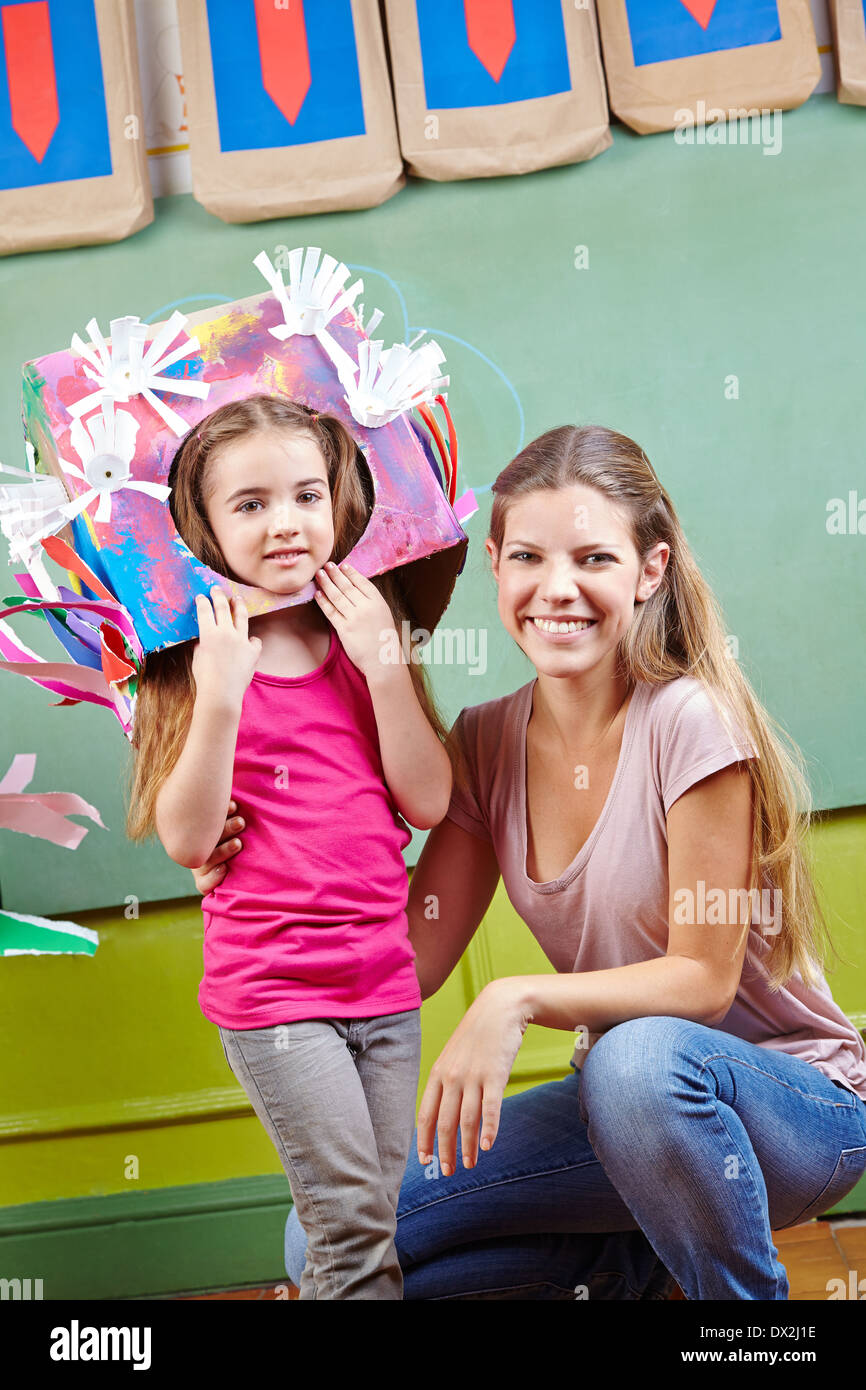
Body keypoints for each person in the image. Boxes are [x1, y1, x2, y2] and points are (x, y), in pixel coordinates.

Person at [194, 423, 866, 1300]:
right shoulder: (485, 742)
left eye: (594, 559)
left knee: (636, 1063)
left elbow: (701, 982)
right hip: (624, 1119)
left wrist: (516, 999)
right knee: (333, 1230)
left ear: (649, 571)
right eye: (529, 559)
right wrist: (261, 868)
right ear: (496, 567)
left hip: (795, 1111)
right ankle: (624, 1275)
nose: (558, 590)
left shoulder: (689, 722)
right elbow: (409, 958)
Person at [125, 393, 453, 1300]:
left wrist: (384, 667)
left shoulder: (363, 629)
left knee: (374, 1222)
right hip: (276, 997)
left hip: (384, 984)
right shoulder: (194, 655)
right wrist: (221, 694)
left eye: (307, 496)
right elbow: (187, 837)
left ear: (338, 502)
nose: (286, 524)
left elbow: (426, 800)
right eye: (251, 504)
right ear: (205, 525)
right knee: (350, 1234)